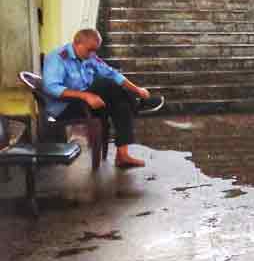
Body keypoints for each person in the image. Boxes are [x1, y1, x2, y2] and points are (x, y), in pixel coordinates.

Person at [42, 27, 164, 169]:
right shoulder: (58, 57)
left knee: (121, 104)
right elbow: (51, 87)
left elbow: (111, 73)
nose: (92, 54)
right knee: (103, 83)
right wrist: (86, 95)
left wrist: (137, 89)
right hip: (65, 107)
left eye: (95, 50)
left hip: (88, 102)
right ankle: (137, 105)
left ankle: (122, 156)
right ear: (77, 43)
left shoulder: (89, 56)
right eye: (90, 50)